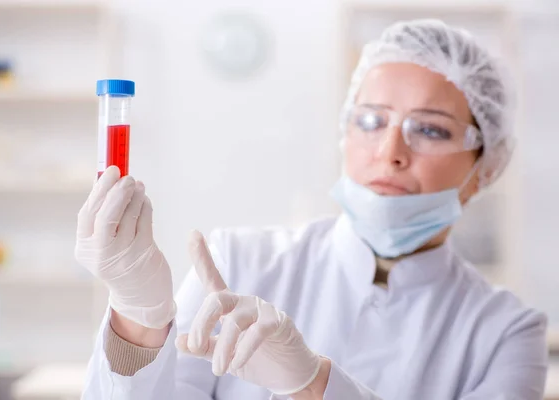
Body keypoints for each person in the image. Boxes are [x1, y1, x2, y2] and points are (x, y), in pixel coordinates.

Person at [75, 19, 549, 399]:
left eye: (430, 129)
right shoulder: (237, 261)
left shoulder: (506, 333)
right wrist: (137, 320)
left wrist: (312, 386)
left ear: (487, 165)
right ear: (346, 132)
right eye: (370, 120)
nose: (390, 151)